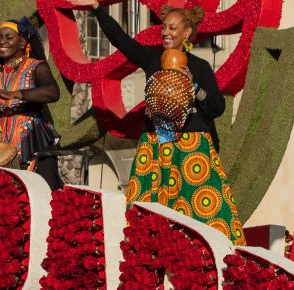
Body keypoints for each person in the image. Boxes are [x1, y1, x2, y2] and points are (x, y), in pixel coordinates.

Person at [72, 1, 244, 245]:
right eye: (164, 27)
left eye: (173, 28)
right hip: (156, 141)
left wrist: (194, 86)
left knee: (200, 206)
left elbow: (217, 108)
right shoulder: (151, 57)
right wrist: (98, 8)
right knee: (150, 209)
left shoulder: (200, 67)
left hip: (191, 146)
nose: (165, 33)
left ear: (186, 33)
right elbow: (121, 40)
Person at [0, 16, 62, 190]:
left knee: (41, 192)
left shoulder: (36, 67)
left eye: (8, 37)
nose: (2, 42)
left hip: (34, 140)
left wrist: (16, 94)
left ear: (22, 42)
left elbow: (53, 93)